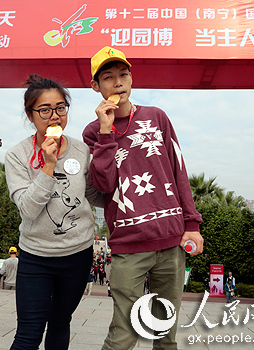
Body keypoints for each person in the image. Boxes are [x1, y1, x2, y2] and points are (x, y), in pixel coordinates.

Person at [83, 46, 204, 350]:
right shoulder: (92, 132)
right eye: (108, 78)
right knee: (123, 334)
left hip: (170, 238)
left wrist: (192, 223)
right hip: (128, 243)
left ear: (131, 78)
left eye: (123, 74)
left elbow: (178, 170)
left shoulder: (156, 117)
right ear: (96, 87)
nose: (118, 83)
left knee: (166, 334)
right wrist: (107, 131)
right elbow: (103, 183)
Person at [4, 74, 103, 350]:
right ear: (30, 114)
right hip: (36, 256)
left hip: (77, 254)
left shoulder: (81, 149)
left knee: (60, 323)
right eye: (45, 110)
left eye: (61, 108)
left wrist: (128, 188)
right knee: (28, 334)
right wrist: (48, 166)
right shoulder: (17, 155)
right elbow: (28, 209)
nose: (54, 116)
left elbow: (92, 194)